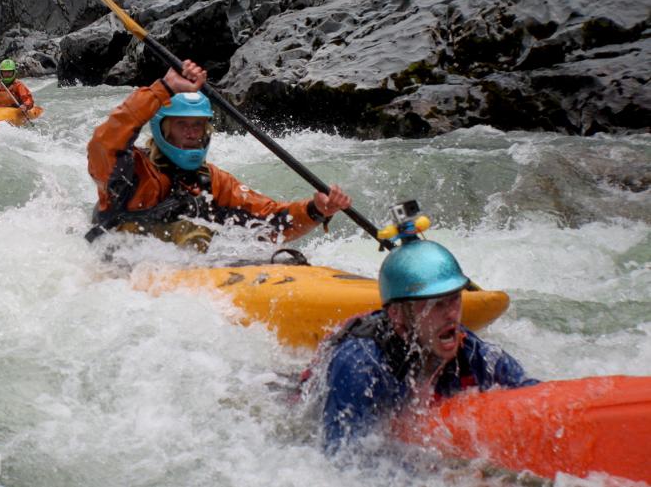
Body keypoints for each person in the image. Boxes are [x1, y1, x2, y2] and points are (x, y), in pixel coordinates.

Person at [86, 59, 352, 249]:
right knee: (192, 230)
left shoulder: (213, 181)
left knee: (198, 233)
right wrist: (164, 88)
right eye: (182, 124)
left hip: (179, 276)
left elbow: (271, 222)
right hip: (119, 268)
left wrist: (315, 210)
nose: (192, 133)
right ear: (162, 129)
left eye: (198, 125)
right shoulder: (129, 172)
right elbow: (106, 140)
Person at [312, 236, 538, 450]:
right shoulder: (360, 364)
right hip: (306, 417)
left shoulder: (472, 353)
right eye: (436, 304)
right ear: (397, 314)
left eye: (454, 299)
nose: (452, 315)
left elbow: (535, 399)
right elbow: (341, 459)